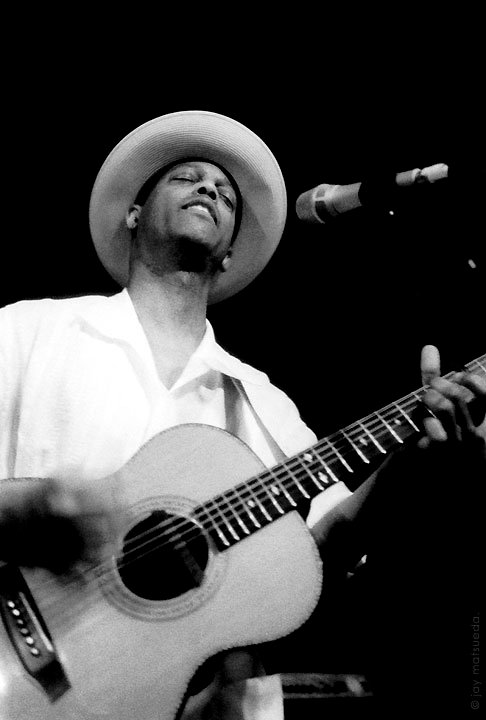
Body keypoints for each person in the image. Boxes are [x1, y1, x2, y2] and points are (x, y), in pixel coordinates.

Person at [0, 110, 484, 719]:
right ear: (133, 213)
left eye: (226, 194)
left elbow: (324, 550)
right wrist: (27, 509)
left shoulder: (262, 401)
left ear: (229, 253)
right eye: (186, 178)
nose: (209, 188)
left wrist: (411, 462)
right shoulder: (26, 332)